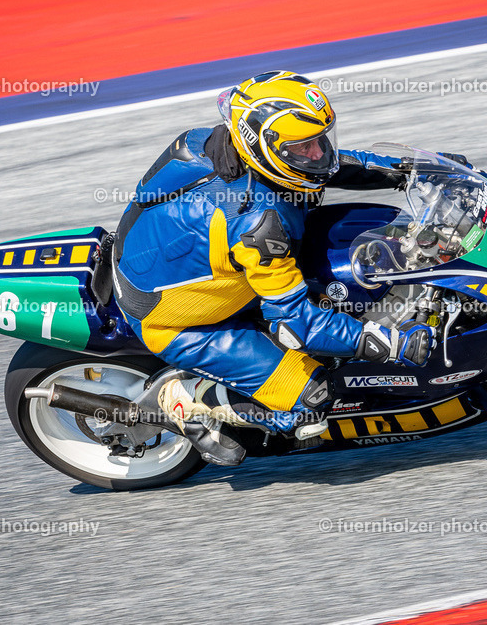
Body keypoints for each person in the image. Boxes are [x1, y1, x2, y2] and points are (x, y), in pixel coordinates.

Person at [111, 70, 446, 465]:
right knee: (310, 402)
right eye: (303, 149)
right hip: (179, 321)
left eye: (320, 140)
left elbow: (333, 164)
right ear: (263, 147)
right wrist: (392, 344)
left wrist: (410, 168)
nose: (318, 154)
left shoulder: (210, 141)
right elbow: (296, 324)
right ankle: (184, 401)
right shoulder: (258, 222)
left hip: (158, 256)